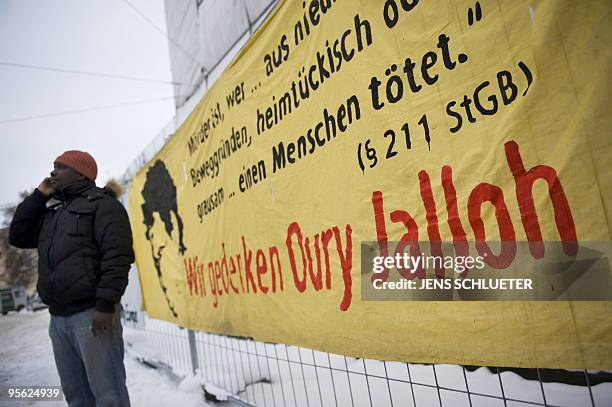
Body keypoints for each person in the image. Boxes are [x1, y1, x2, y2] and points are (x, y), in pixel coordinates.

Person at [9, 150, 134, 407]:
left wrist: (105, 304)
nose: (53, 172)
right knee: (76, 397)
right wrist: (38, 196)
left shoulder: (103, 205)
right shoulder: (52, 213)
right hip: (58, 320)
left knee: (109, 396)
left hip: (92, 316)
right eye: (52, 166)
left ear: (81, 173)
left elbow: (117, 256)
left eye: (60, 167)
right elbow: (18, 236)